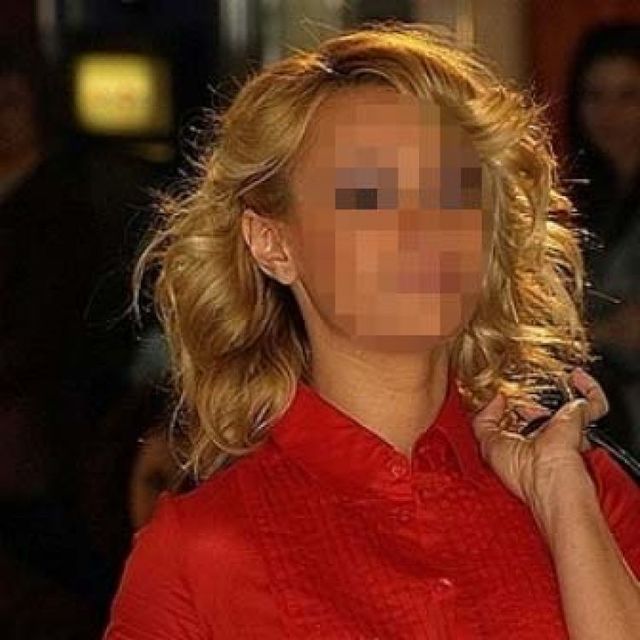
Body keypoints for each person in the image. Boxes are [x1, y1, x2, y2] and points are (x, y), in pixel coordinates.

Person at [103, 23, 640, 639]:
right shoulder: (199, 553)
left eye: (448, 187)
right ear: (272, 243)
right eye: (367, 194)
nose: (422, 226)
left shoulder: (585, 493)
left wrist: (565, 502)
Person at [566, 22, 640, 456]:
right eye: (594, 96)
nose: (609, 114)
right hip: (601, 426)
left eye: (628, 96)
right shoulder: (573, 197)